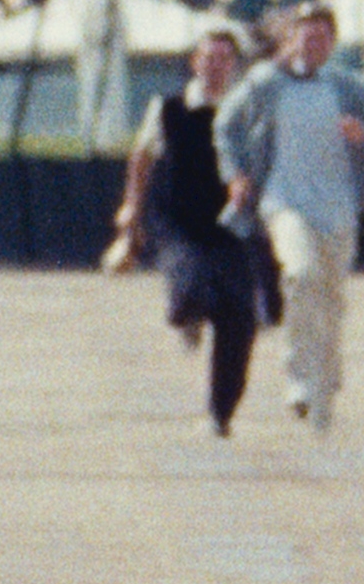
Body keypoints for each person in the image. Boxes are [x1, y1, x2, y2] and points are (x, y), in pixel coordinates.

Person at [212, 3, 364, 435]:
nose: (312, 44)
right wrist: (235, 174)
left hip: (338, 205)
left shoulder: (350, 87)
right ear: (292, 38)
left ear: (333, 43)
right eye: (305, 35)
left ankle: (326, 378)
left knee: (331, 299)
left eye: (321, 37)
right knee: (299, 275)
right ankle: (298, 375)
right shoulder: (266, 83)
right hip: (284, 201)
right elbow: (225, 126)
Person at [114, 22, 266, 436]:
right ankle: (188, 317)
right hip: (179, 222)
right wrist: (131, 208)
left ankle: (220, 412)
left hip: (232, 223)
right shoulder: (167, 108)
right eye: (208, 58)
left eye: (224, 59)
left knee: (239, 317)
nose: (216, 66)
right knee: (189, 290)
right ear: (195, 62)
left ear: (234, 66)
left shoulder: (247, 110)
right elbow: (141, 158)